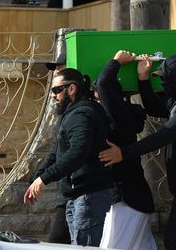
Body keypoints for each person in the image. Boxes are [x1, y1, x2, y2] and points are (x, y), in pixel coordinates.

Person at [99, 54, 176, 250]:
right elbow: (155, 108)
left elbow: (165, 135)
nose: (163, 84)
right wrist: (143, 79)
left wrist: (124, 153)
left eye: (165, 79)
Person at [24, 68, 113, 246]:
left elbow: (77, 153)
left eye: (57, 90)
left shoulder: (82, 114)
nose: (53, 95)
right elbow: (55, 153)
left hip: (88, 194)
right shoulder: (69, 115)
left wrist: (44, 178)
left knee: (83, 247)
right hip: (76, 195)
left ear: (71, 89)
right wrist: (37, 179)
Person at [96, 51, 156, 250]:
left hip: (127, 201)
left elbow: (104, 85)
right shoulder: (124, 116)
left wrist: (115, 62)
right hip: (134, 199)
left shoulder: (118, 116)